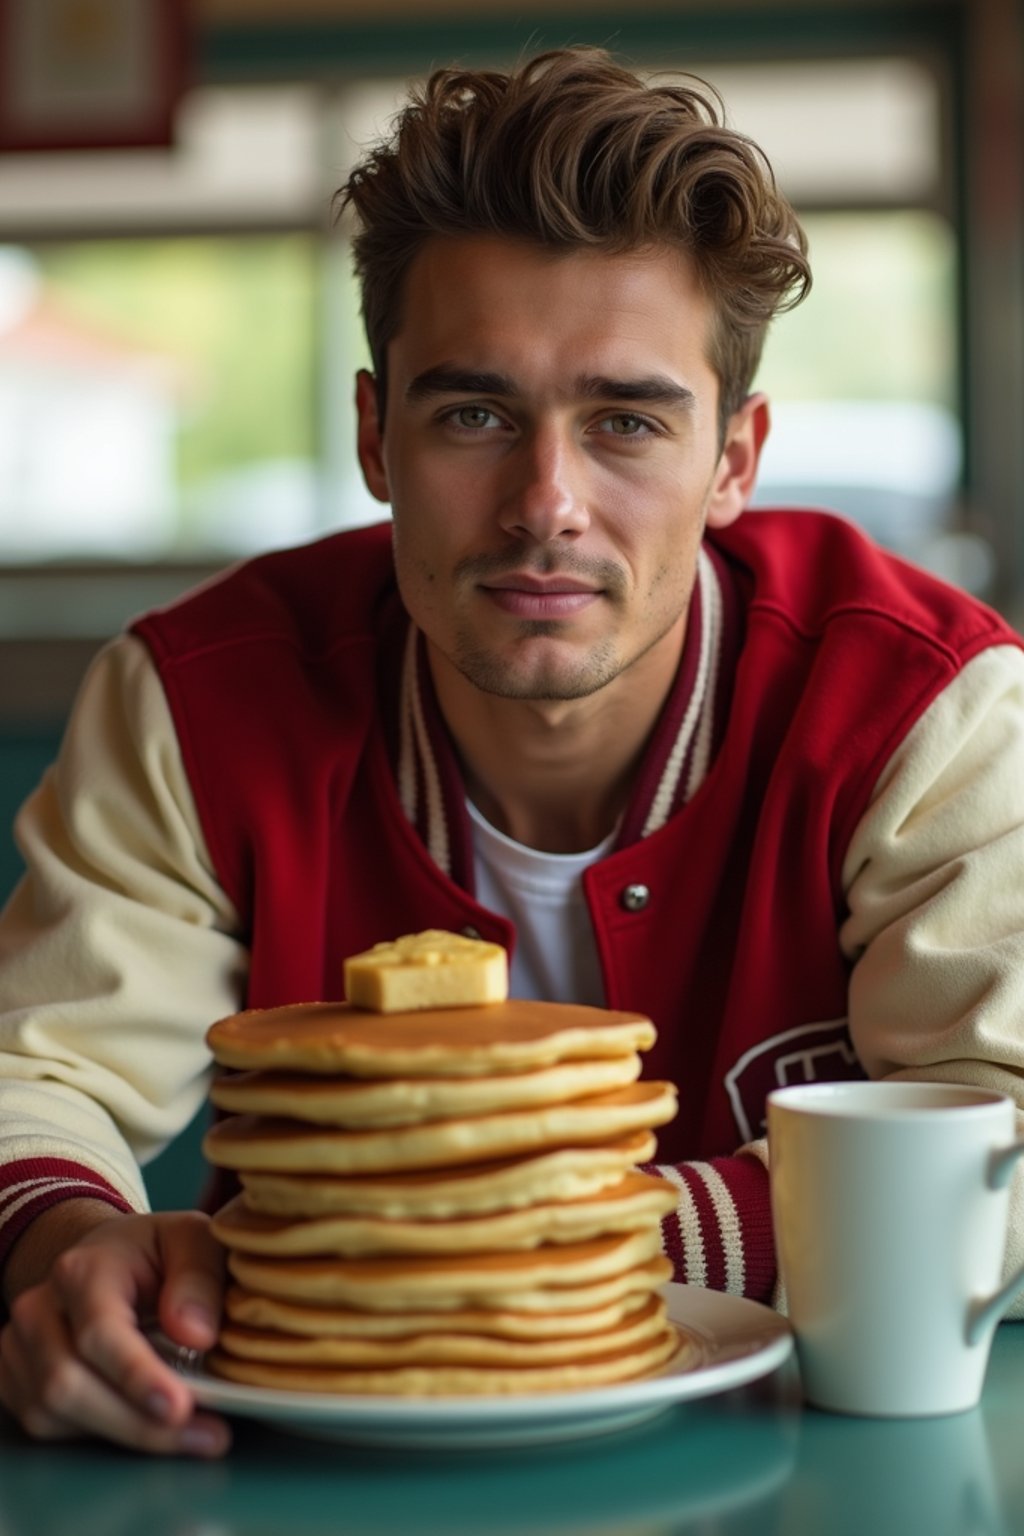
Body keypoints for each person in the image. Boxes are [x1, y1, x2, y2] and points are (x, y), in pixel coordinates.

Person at [1, 45, 1023, 1457]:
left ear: (737, 457)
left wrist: (498, 1244)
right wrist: (65, 1249)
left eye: (627, 421)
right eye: (474, 413)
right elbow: (32, 1076)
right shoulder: (194, 701)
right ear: (374, 434)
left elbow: (1005, 1136)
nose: (546, 502)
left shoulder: (928, 706)